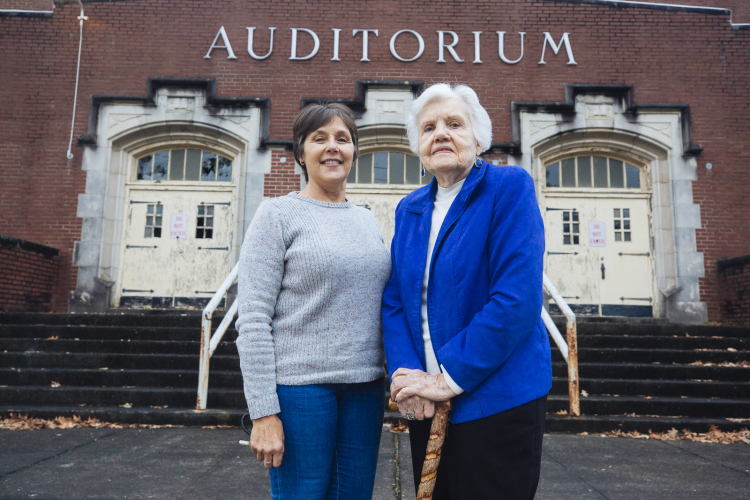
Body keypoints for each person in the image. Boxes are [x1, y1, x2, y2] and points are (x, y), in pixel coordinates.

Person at [383, 83, 551, 499]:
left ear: (478, 139)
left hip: (497, 401)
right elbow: (394, 302)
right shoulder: (410, 208)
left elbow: (516, 300)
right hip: (424, 401)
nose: (440, 133)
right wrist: (407, 380)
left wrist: (447, 378)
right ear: (418, 147)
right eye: (428, 128)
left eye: (454, 124)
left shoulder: (508, 188)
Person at [235, 103, 392, 500]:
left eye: (343, 139)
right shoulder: (278, 215)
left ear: (355, 151)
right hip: (301, 390)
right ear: (300, 153)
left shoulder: (367, 220)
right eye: (319, 138)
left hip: (365, 387)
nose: (332, 147)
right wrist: (263, 412)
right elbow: (252, 319)